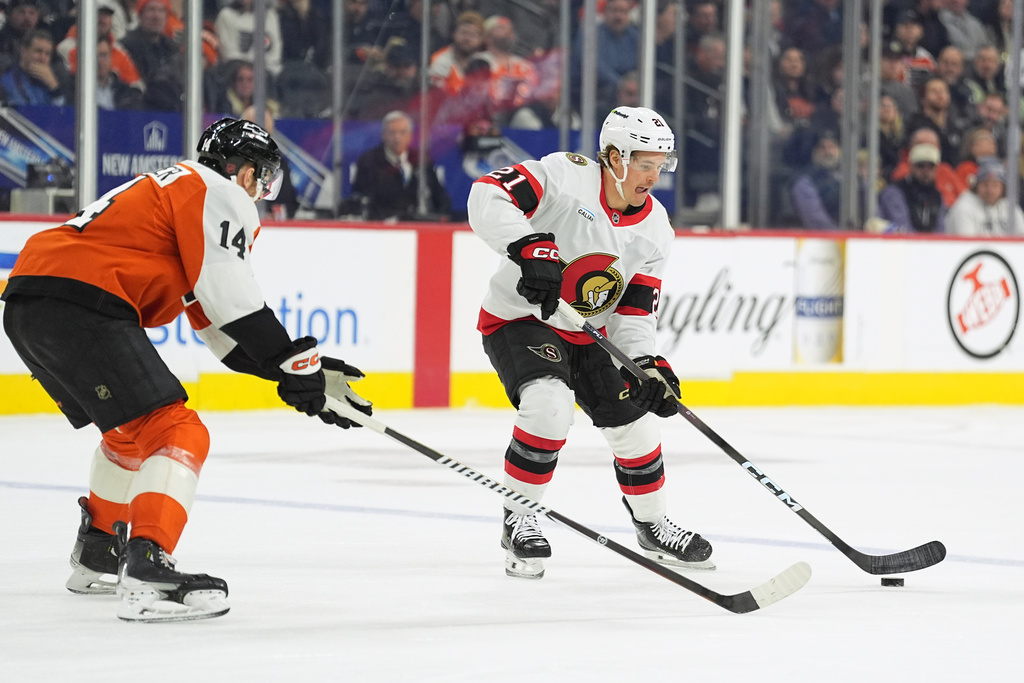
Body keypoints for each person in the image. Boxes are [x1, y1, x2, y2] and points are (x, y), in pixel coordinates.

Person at [0, 117, 372, 622]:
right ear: (238, 170)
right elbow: (234, 296)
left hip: (32, 300)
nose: (261, 190)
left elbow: (220, 329)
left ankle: (100, 552)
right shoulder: (212, 187)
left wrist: (297, 371)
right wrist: (293, 362)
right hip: (83, 300)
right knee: (177, 431)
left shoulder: (175, 194)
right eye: (260, 176)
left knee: (131, 433)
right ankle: (148, 567)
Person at [466, 106, 713, 581]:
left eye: (662, 164)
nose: (654, 175)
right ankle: (519, 518)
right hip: (523, 318)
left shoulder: (656, 225)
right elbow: (487, 193)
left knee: (637, 428)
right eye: (645, 162)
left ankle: (652, 525)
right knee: (549, 405)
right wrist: (527, 245)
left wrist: (648, 365)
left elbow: (634, 311)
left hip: (589, 333)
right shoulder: (565, 175)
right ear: (614, 157)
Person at [349, 110, 451, 220]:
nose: (397, 137)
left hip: (416, 221)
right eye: (392, 132)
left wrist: (442, 216)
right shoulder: (369, 161)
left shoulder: (420, 160)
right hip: (383, 222)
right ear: (383, 135)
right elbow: (363, 195)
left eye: (402, 132)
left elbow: (439, 194)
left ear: (410, 136)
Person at [878, 141, 947, 233]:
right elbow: (902, 228)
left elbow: (940, 231)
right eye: (920, 166)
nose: (926, 172)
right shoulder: (895, 192)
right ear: (910, 166)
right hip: (898, 246)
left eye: (930, 167)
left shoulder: (938, 196)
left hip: (929, 246)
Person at [946, 156, 1024, 235]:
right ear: (976, 186)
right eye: (985, 184)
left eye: (995, 185)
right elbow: (966, 244)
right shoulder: (964, 207)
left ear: (1003, 188)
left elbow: (1021, 238)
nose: (990, 190)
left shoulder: (1010, 207)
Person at [0, 28, 68, 106]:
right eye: (38, 51)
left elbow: (61, 114)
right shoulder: (5, 82)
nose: (42, 58)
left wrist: (54, 87)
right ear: (24, 51)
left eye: (47, 54)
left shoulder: (56, 81)